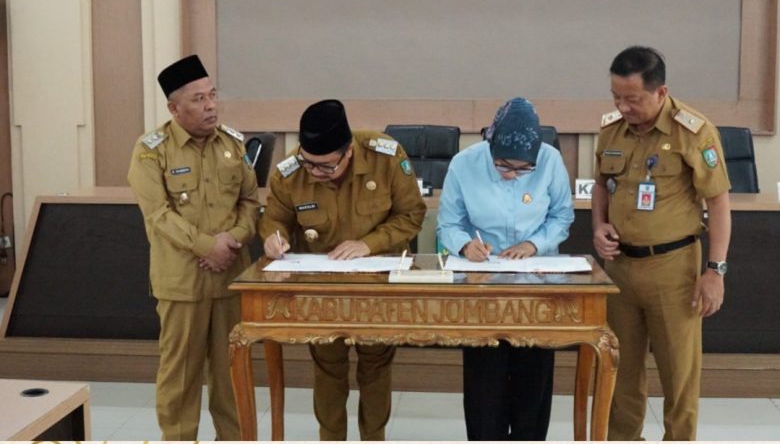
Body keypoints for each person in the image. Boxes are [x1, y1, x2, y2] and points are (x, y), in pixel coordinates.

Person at [259, 99, 426, 440]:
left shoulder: (385, 157)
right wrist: (273, 239)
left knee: (375, 365)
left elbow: (412, 215)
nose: (314, 172)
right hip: (323, 287)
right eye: (308, 163)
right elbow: (274, 218)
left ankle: (373, 437)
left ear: (348, 152)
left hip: (377, 283)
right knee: (328, 366)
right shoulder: (290, 172)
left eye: (325, 167)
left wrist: (369, 244)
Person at [592, 46, 732, 440]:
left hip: (673, 270)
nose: (624, 107)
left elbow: (719, 203)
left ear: (661, 92)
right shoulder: (611, 129)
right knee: (620, 369)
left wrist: (715, 271)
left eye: (633, 99)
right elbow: (602, 184)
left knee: (678, 374)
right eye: (617, 97)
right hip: (621, 268)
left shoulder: (694, 132)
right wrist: (598, 226)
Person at [127, 54, 260, 440]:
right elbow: (158, 215)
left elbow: (250, 201)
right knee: (180, 376)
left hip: (231, 277)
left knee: (232, 371)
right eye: (199, 99)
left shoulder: (233, 143)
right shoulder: (151, 151)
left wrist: (233, 239)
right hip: (182, 283)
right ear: (174, 108)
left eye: (213, 95)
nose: (211, 106)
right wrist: (206, 246)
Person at [437, 97, 575, 440]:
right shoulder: (464, 164)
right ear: (490, 145)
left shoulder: (550, 160)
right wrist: (465, 245)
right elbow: (448, 224)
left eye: (523, 169)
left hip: (537, 281)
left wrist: (534, 244)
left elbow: (562, 216)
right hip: (483, 282)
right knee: (485, 380)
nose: (513, 175)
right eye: (503, 166)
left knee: (534, 376)